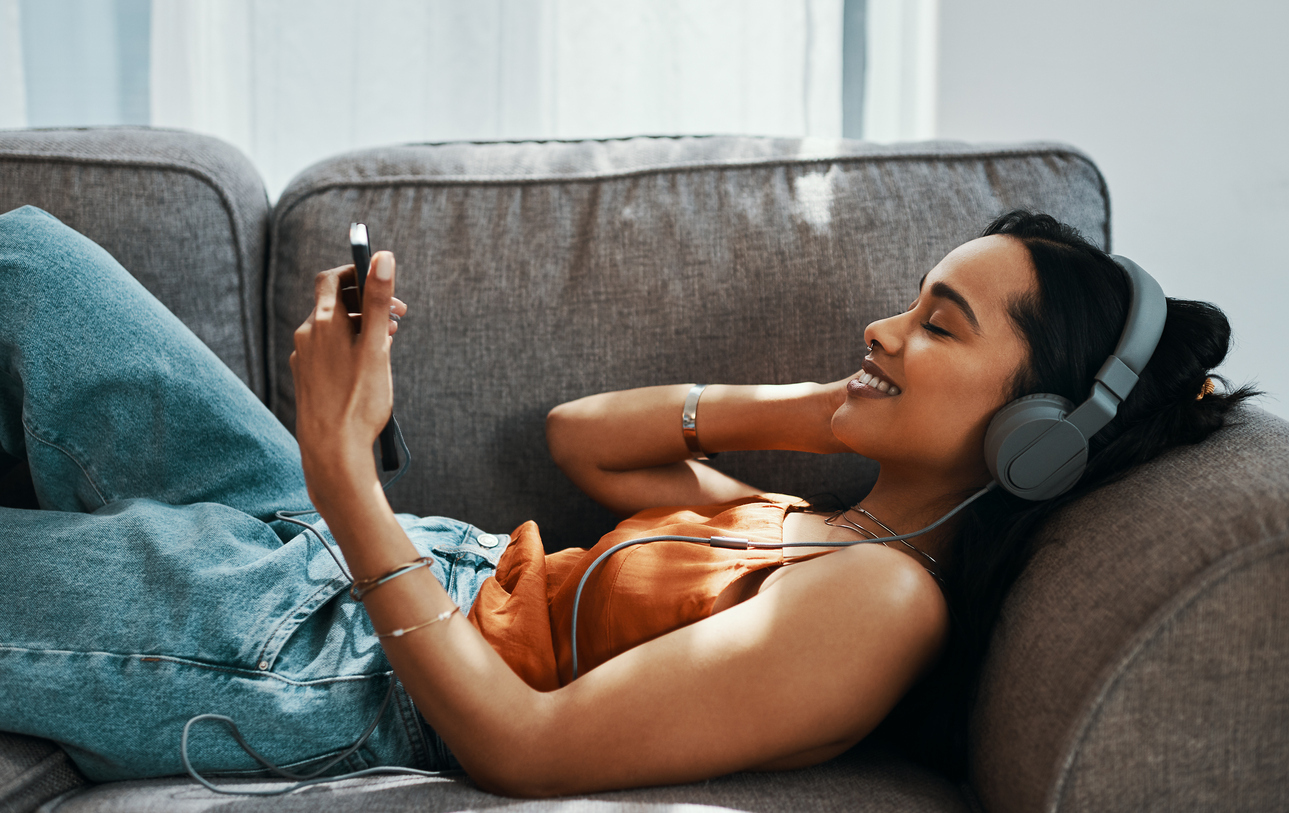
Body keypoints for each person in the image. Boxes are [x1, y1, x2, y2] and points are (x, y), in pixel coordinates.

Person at [0, 204, 1253, 797]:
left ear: (1033, 438)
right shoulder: (824, 531)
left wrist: (343, 465)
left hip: (332, 660)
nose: (880, 326)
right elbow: (586, 440)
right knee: (31, 260)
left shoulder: (876, 605)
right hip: (375, 556)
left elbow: (520, 746)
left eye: (936, 324)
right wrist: (835, 400)